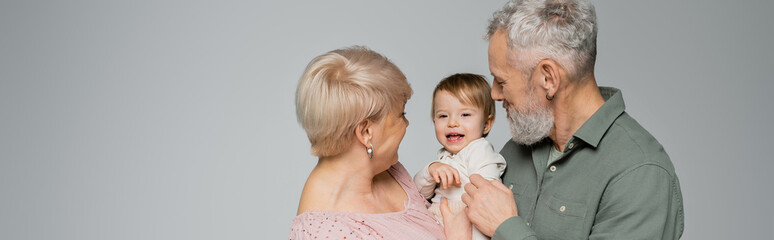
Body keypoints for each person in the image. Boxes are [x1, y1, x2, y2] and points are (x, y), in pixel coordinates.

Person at [446, 0, 685, 239]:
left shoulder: (640, 173)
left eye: (502, 81)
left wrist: (506, 227)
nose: (494, 94)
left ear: (549, 79)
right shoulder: (517, 149)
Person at [288, 46, 445, 239]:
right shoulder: (323, 233)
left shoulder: (387, 169)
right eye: (401, 114)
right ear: (366, 132)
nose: (406, 123)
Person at [414, 73, 507, 240]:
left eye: (464, 115)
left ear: (486, 124)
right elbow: (417, 193)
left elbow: (486, 199)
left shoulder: (479, 150)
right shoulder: (444, 157)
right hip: (437, 217)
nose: (452, 123)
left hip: (466, 220)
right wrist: (431, 169)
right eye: (443, 116)